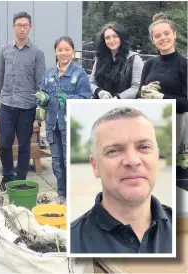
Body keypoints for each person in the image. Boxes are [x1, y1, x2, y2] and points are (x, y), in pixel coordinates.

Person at [71, 107, 172, 254]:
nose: (132, 161)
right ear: (95, 166)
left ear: (157, 157)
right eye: (114, 150)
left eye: (144, 147)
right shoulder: (71, 243)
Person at [0, 11, 46, 192]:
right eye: (19, 25)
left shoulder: (37, 53)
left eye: (25, 25)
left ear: (30, 28)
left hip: (27, 106)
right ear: (13, 27)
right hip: (7, 105)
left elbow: (40, 83)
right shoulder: (5, 50)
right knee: (4, 143)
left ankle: (21, 178)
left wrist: (41, 106)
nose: (22, 28)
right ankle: (7, 176)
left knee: (24, 144)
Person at [36, 36, 92, 205]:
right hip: (52, 124)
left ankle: (73, 195)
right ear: (55, 52)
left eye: (67, 49)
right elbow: (42, 93)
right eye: (60, 50)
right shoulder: (49, 74)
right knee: (56, 161)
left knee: (70, 161)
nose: (63, 53)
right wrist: (42, 100)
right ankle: (61, 194)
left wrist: (69, 99)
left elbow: (86, 97)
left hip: (70, 126)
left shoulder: (79, 74)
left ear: (73, 51)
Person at [137, 13, 188, 184]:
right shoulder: (149, 64)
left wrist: (162, 97)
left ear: (174, 34)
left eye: (166, 33)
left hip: (174, 123)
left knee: (166, 170)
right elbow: (139, 96)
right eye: (157, 35)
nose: (163, 38)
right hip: (150, 122)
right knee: (147, 167)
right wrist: (144, 93)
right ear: (152, 40)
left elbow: (186, 103)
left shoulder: (184, 64)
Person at [89, 23, 144, 99]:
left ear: (121, 38)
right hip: (101, 102)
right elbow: (91, 83)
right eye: (107, 38)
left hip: (125, 105)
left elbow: (136, 87)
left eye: (115, 36)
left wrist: (118, 97)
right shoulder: (99, 59)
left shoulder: (134, 59)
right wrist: (99, 92)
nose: (111, 40)